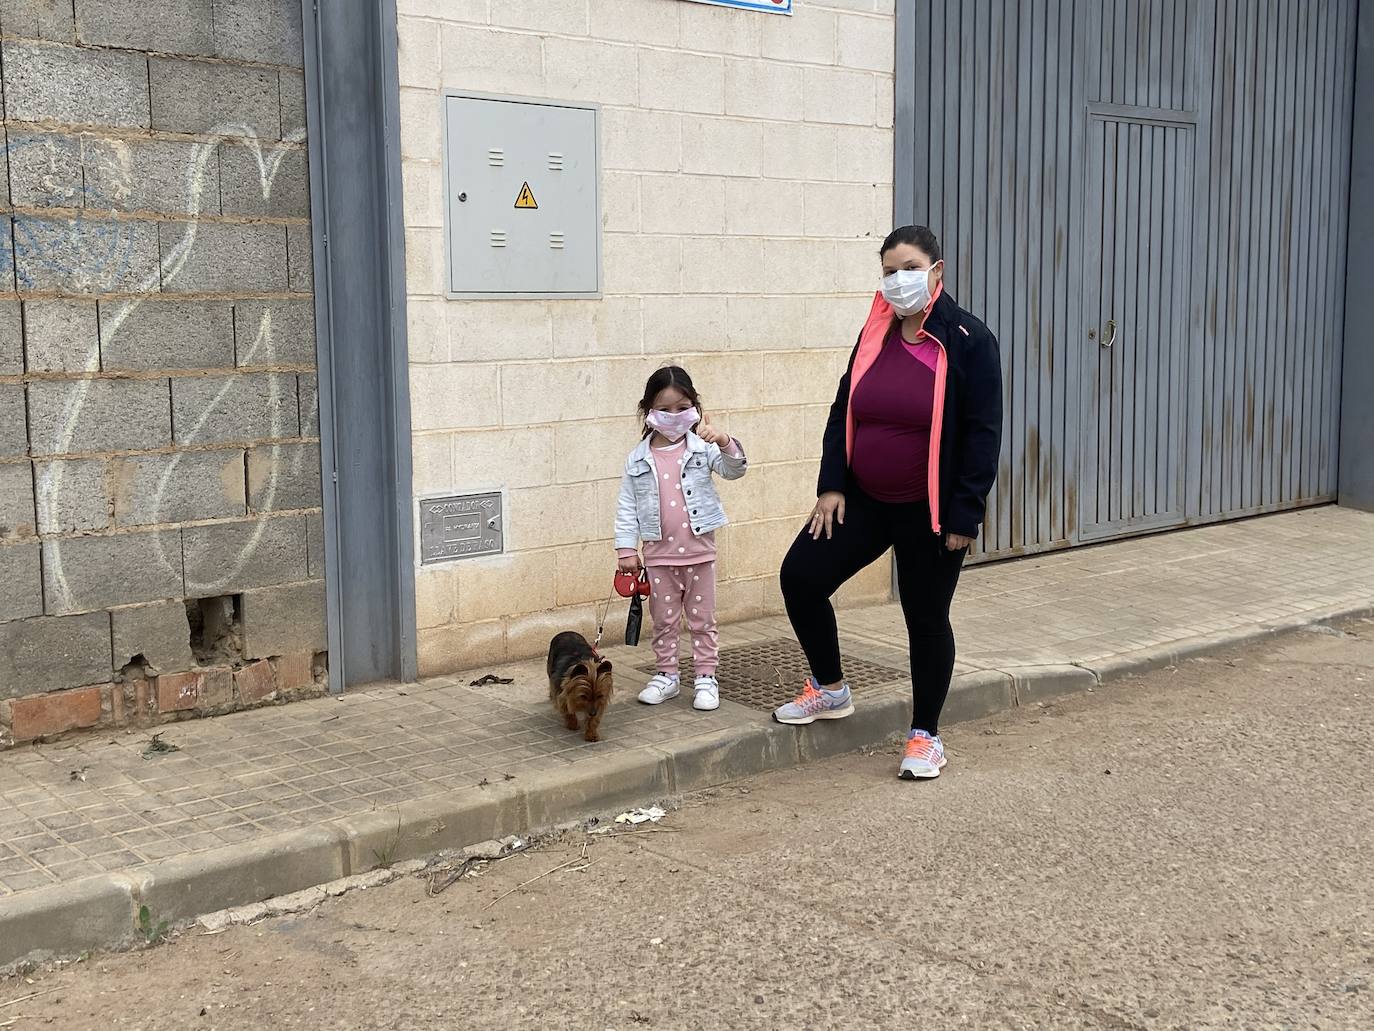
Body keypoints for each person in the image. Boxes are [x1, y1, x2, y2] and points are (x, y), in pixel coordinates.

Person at [772, 225, 1003, 781]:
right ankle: (830, 688)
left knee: (925, 617)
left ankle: (926, 736)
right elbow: (843, 408)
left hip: (931, 512)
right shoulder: (875, 330)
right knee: (800, 577)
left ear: (937, 272)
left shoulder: (969, 340)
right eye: (889, 271)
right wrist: (831, 484)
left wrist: (965, 514)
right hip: (864, 501)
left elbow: (983, 433)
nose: (899, 280)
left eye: (910, 268)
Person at [615, 366, 748, 712]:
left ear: (695, 406)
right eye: (664, 409)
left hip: (700, 554)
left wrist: (723, 440)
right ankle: (667, 675)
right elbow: (627, 506)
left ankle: (706, 677)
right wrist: (626, 548)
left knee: (703, 620)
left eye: (682, 407)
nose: (674, 416)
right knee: (664, 621)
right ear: (648, 411)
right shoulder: (638, 458)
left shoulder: (703, 449)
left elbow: (735, 469)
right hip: (659, 556)